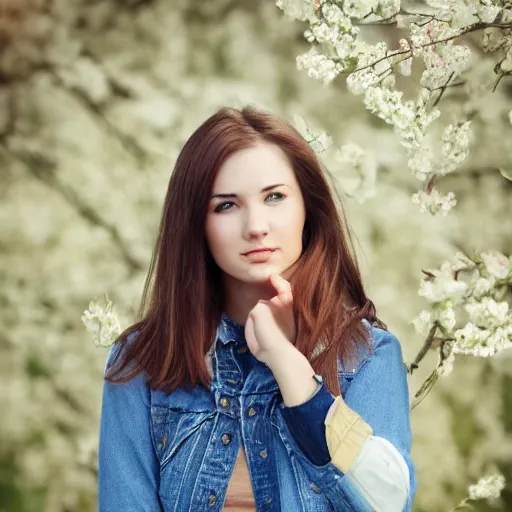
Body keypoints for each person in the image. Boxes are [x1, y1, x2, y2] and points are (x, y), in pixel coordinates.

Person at [98, 105, 417, 512]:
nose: (256, 226)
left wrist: (288, 365)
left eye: (275, 197)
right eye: (226, 206)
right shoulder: (142, 363)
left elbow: (389, 503)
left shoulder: (368, 355)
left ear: (308, 209)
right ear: (196, 224)